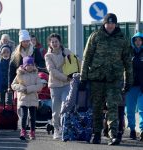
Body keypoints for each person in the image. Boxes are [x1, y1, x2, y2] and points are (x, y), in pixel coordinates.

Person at [79, 13, 133, 145]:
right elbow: (86, 58)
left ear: (116, 24)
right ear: (104, 24)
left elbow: (127, 61)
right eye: (108, 23)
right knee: (97, 107)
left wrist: (128, 80)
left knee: (112, 107)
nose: (110, 26)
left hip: (114, 79)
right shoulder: (95, 36)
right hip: (97, 78)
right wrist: (83, 78)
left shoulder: (122, 39)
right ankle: (97, 134)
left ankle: (113, 135)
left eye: (112, 23)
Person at [44, 33, 72, 139]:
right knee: (56, 110)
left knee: (66, 107)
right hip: (55, 86)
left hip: (67, 85)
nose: (55, 43)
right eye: (52, 42)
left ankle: (66, 129)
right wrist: (65, 77)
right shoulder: (48, 56)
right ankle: (56, 129)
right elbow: (52, 71)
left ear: (60, 42)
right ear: (50, 44)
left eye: (56, 41)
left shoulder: (67, 51)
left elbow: (75, 63)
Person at [11, 56, 42, 140]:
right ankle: (23, 131)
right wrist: (21, 88)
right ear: (24, 65)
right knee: (24, 116)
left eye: (32, 64)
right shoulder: (19, 74)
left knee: (33, 116)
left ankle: (32, 131)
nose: (30, 66)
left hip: (33, 98)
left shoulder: (36, 75)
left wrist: (28, 89)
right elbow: (13, 85)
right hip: (23, 98)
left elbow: (39, 86)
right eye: (28, 64)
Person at [126, 32, 143, 141]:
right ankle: (132, 129)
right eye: (136, 40)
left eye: (140, 40)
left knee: (142, 109)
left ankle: (141, 130)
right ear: (133, 41)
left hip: (142, 87)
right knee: (130, 110)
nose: (138, 42)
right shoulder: (128, 53)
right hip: (130, 86)